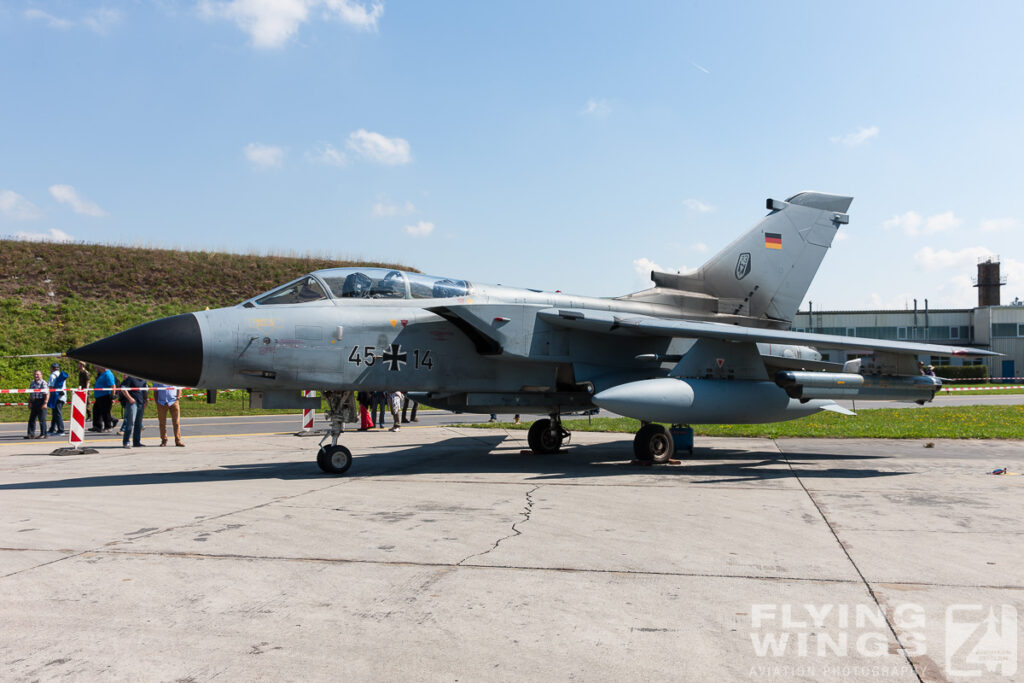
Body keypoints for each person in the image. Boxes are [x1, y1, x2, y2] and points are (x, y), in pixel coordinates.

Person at [118, 374, 148, 448]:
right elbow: (123, 388)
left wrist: (146, 401)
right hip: (133, 403)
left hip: (141, 403)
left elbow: (145, 391)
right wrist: (130, 398)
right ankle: (126, 442)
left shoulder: (144, 380)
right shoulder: (131, 378)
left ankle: (136, 442)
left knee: (138, 423)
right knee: (130, 422)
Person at [154, 382, 184, 447]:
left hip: (173, 401)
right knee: (162, 422)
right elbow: (155, 391)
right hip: (162, 403)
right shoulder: (157, 379)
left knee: (176, 422)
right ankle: (164, 440)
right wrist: (157, 402)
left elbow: (179, 388)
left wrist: (178, 398)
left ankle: (178, 440)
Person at [91, 366, 117, 432]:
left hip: (105, 396)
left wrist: (112, 395)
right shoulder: (102, 374)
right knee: (96, 411)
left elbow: (113, 385)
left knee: (105, 412)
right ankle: (97, 426)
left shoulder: (108, 374)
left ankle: (108, 426)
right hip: (99, 397)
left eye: (98, 367)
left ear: (102, 368)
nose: (97, 369)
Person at [46, 362, 68, 435]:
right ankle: (52, 429)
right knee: (55, 413)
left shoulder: (52, 375)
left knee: (57, 413)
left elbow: (51, 387)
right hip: (63, 396)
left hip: (56, 396)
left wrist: (49, 397)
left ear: (52, 368)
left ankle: (61, 430)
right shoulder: (61, 375)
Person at [26, 370, 48, 439]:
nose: (36, 376)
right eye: (35, 374)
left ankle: (43, 434)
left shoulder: (43, 383)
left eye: (38, 375)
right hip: (34, 401)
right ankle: (31, 434)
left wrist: (45, 403)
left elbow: (47, 394)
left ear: (41, 375)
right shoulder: (32, 383)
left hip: (41, 401)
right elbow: (31, 393)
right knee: (32, 419)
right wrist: (29, 402)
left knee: (42, 419)